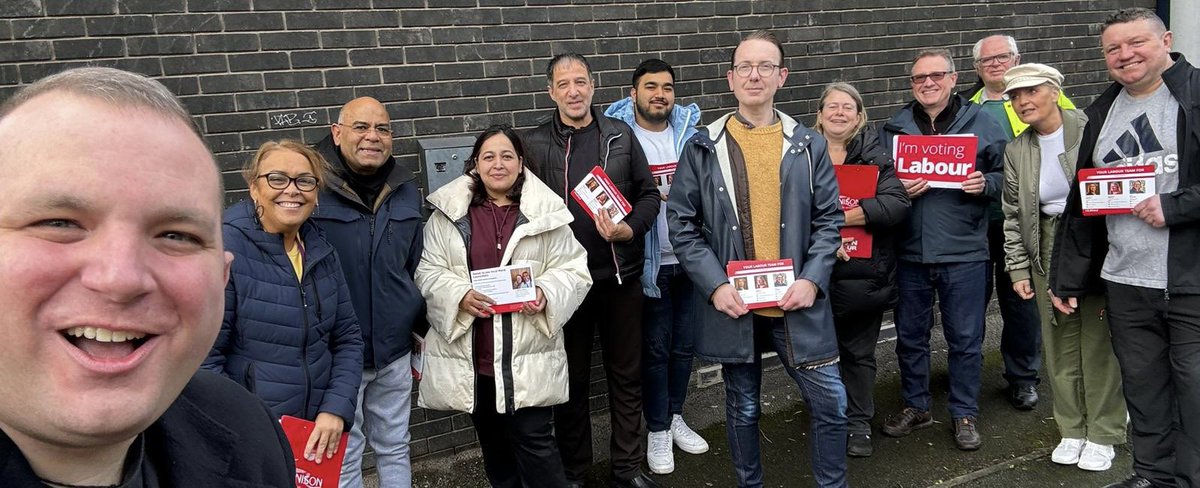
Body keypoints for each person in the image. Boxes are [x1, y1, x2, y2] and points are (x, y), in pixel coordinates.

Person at [0, 67, 293, 486]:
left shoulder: (249, 432)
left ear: (222, 276)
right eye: (59, 223)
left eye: (177, 235)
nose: (121, 278)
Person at [669, 30, 849, 488]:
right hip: (736, 303)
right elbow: (682, 225)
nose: (755, 74)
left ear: (781, 76)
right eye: (745, 66)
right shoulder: (701, 146)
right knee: (744, 407)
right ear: (730, 78)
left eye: (765, 66)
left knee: (831, 403)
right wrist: (714, 285)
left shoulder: (807, 144)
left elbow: (830, 220)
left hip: (797, 300)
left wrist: (813, 279)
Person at [1051, 8, 1200, 488]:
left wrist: (1175, 207)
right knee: (1144, 388)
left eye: (1135, 42)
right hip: (1125, 280)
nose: (1125, 55)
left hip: (1190, 279)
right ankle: (1154, 476)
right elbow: (1082, 204)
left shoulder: (1195, 96)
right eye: (1113, 48)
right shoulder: (1102, 110)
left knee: (1194, 392)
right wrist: (1067, 277)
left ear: (1167, 40)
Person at [415, 125, 592, 488]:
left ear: (521, 163)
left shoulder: (547, 215)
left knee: (536, 445)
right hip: (474, 358)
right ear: (475, 164)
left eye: (507, 156)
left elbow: (575, 270)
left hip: (527, 355)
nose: (498, 164)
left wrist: (546, 292)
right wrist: (458, 295)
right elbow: (427, 271)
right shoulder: (447, 216)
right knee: (494, 449)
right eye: (489, 156)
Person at [522, 53, 662, 488]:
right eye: (563, 84)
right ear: (551, 92)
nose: (573, 91)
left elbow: (649, 195)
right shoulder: (532, 144)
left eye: (580, 81)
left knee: (627, 376)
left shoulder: (620, 136)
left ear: (593, 86)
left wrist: (629, 229)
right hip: (565, 286)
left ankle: (626, 469)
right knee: (573, 381)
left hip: (620, 278)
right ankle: (575, 471)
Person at [999, 63, 1127, 473]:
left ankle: (1104, 432)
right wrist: (1019, 270)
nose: (1022, 102)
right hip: (1045, 248)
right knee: (1057, 344)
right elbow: (1013, 216)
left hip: (1092, 245)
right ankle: (1071, 428)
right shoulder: (1017, 149)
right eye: (1015, 97)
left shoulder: (1092, 127)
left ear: (1054, 91)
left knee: (1098, 343)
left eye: (1030, 92)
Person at [204, 140, 365, 465]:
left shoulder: (321, 250)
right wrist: (247, 424)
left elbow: (348, 338)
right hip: (251, 437)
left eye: (305, 181)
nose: (292, 190)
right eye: (277, 178)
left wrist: (335, 409)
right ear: (254, 188)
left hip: (315, 435)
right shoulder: (226, 253)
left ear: (316, 193)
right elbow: (204, 360)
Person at [879, 48, 1007, 451]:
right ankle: (916, 405)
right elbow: (877, 181)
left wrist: (986, 184)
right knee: (911, 336)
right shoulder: (894, 128)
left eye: (936, 75)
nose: (928, 83)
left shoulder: (982, 122)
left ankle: (964, 411)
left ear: (954, 79)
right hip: (910, 253)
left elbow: (1014, 177)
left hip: (965, 251)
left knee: (966, 339)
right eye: (919, 78)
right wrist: (898, 188)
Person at [310, 97, 426, 488]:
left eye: (383, 129)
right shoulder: (310, 187)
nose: (372, 137)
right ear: (337, 132)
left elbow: (413, 264)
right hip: (336, 354)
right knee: (343, 453)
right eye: (361, 127)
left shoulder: (406, 189)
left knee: (395, 446)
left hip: (393, 349)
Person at [604, 58, 709, 476]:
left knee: (684, 347)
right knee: (654, 350)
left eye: (666, 87)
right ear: (634, 94)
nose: (659, 94)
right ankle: (658, 429)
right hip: (647, 265)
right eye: (650, 87)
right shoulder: (619, 139)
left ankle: (676, 415)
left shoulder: (691, 136)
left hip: (690, 258)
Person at [964, 34, 1079, 411]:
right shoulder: (967, 106)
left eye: (1002, 57)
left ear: (1017, 58)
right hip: (979, 222)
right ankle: (967, 372)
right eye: (986, 61)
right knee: (971, 304)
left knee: (1021, 302)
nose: (995, 65)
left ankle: (1023, 377)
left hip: (1027, 223)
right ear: (976, 69)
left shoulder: (1052, 101)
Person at [813, 82, 910, 458]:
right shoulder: (800, 154)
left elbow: (896, 204)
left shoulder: (875, 156)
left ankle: (857, 424)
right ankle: (828, 418)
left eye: (847, 107)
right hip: (815, 275)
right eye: (832, 106)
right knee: (818, 355)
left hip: (864, 274)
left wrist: (833, 220)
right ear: (819, 114)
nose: (839, 113)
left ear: (859, 116)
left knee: (859, 354)